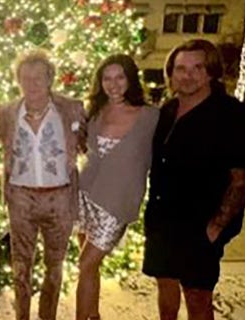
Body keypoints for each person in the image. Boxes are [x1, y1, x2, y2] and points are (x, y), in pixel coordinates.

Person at [143, 39, 245, 320]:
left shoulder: (235, 116)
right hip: (162, 219)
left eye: (197, 68)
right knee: (165, 283)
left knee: (197, 296)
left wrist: (217, 225)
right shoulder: (167, 112)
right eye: (181, 68)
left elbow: (244, 177)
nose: (187, 75)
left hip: (200, 225)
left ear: (211, 72)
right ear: (170, 73)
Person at [0, 49, 85, 320]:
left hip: (59, 198)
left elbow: (90, 143)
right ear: (18, 80)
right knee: (21, 267)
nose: (32, 84)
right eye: (26, 78)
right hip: (21, 197)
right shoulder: (8, 111)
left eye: (38, 78)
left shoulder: (71, 108)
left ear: (50, 79)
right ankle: (22, 316)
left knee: (54, 268)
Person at [75, 54, 159, 320]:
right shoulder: (94, 111)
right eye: (107, 78)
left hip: (118, 202)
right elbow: (82, 146)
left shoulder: (151, 116)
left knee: (85, 263)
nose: (113, 84)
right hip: (85, 194)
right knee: (90, 267)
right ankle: (93, 315)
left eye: (119, 77)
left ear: (130, 79)